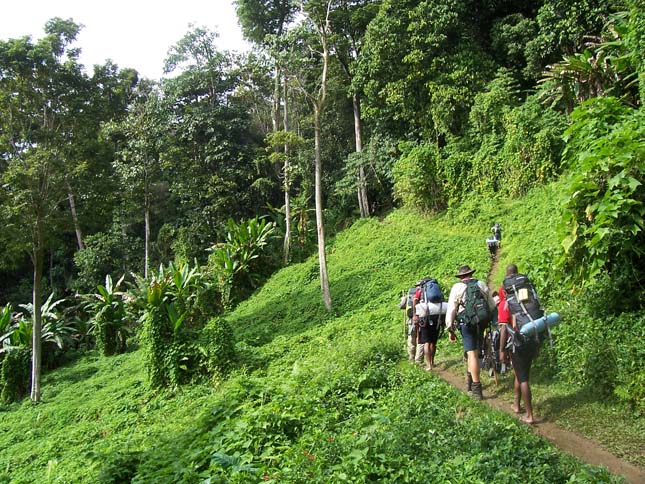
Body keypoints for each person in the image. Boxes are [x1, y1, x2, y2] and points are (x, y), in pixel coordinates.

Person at [445, 265, 496, 400]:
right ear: (471, 274)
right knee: (476, 353)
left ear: (461, 277)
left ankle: (476, 388)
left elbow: (451, 309)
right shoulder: (481, 284)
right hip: (481, 322)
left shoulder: (457, 288)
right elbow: (491, 305)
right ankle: (470, 381)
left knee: (471, 354)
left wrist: (450, 328)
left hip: (466, 323)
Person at [499, 264, 540, 424]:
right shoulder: (528, 297)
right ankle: (516, 405)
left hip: (518, 342)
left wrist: (501, 350)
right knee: (520, 373)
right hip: (533, 337)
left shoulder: (508, 303)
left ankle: (529, 415)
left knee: (523, 378)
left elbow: (503, 329)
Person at [411, 282, 442, 371]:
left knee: (426, 342)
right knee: (433, 342)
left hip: (424, 317)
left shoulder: (421, 290)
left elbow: (415, 300)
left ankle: (429, 365)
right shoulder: (437, 289)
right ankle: (432, 361)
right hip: (437, 316)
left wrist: (415, 314)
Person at [399, 284, 423, 364]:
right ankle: (418, 360)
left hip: (411, 321)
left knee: (411, 339)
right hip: (422, 320)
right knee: (420, 339)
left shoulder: (410, 294)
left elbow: (401, 306)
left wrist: (403, 299)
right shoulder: (424, 293)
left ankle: (411, 358)